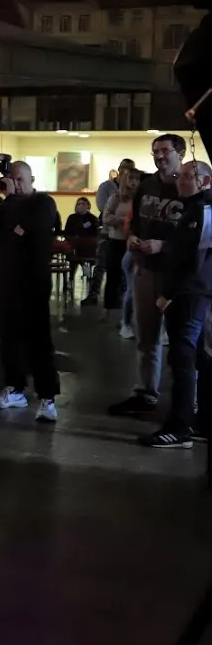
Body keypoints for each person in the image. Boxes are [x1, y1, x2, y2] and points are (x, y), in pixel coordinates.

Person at [109, 134, 186, 418]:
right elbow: (136, 222)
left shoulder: (190, 187)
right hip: (146, 269)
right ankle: (144, 392)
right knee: (147, 336)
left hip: (180, 275)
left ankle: (187, 401)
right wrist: (133, 238)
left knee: (185, 341)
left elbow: (199, 234)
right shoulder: (147, 186)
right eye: (155, 151)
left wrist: (163, 246)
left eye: (165, 150)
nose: (159, 156)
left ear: (180, 152)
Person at [0, 161, 61, 423]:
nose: (15, 183)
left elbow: (32, 233)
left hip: (33, 280)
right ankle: (15, 388)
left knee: (38, 338)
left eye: (20, 178)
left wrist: (10, 232)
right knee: (9, 336)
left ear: (32, 178)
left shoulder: (43, 202)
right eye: (11, 179)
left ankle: (48, 397)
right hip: (7, 280)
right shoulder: (6, 204)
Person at [140, 160, 212, 448]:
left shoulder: (202, 211)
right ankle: (200, 421)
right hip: (193, 292)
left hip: (190, 294)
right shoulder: (195, 208)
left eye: (187, 177)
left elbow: (191, 259)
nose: (180, 181)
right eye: (179, 176)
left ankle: (180, 427)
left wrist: (168, 293)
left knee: (183, 359)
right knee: (197, 357)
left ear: (204, 181)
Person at [101, 167, 139, 329]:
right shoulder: (115, 198)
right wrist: (123, 220)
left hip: (133, 243)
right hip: (116, 241)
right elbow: (106, 217)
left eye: (137, 179)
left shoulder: (140, 199)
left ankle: (127, 317)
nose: (134, 182)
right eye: (131, 179)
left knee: (130, 281)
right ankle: (108, 310)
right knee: (113, 277)